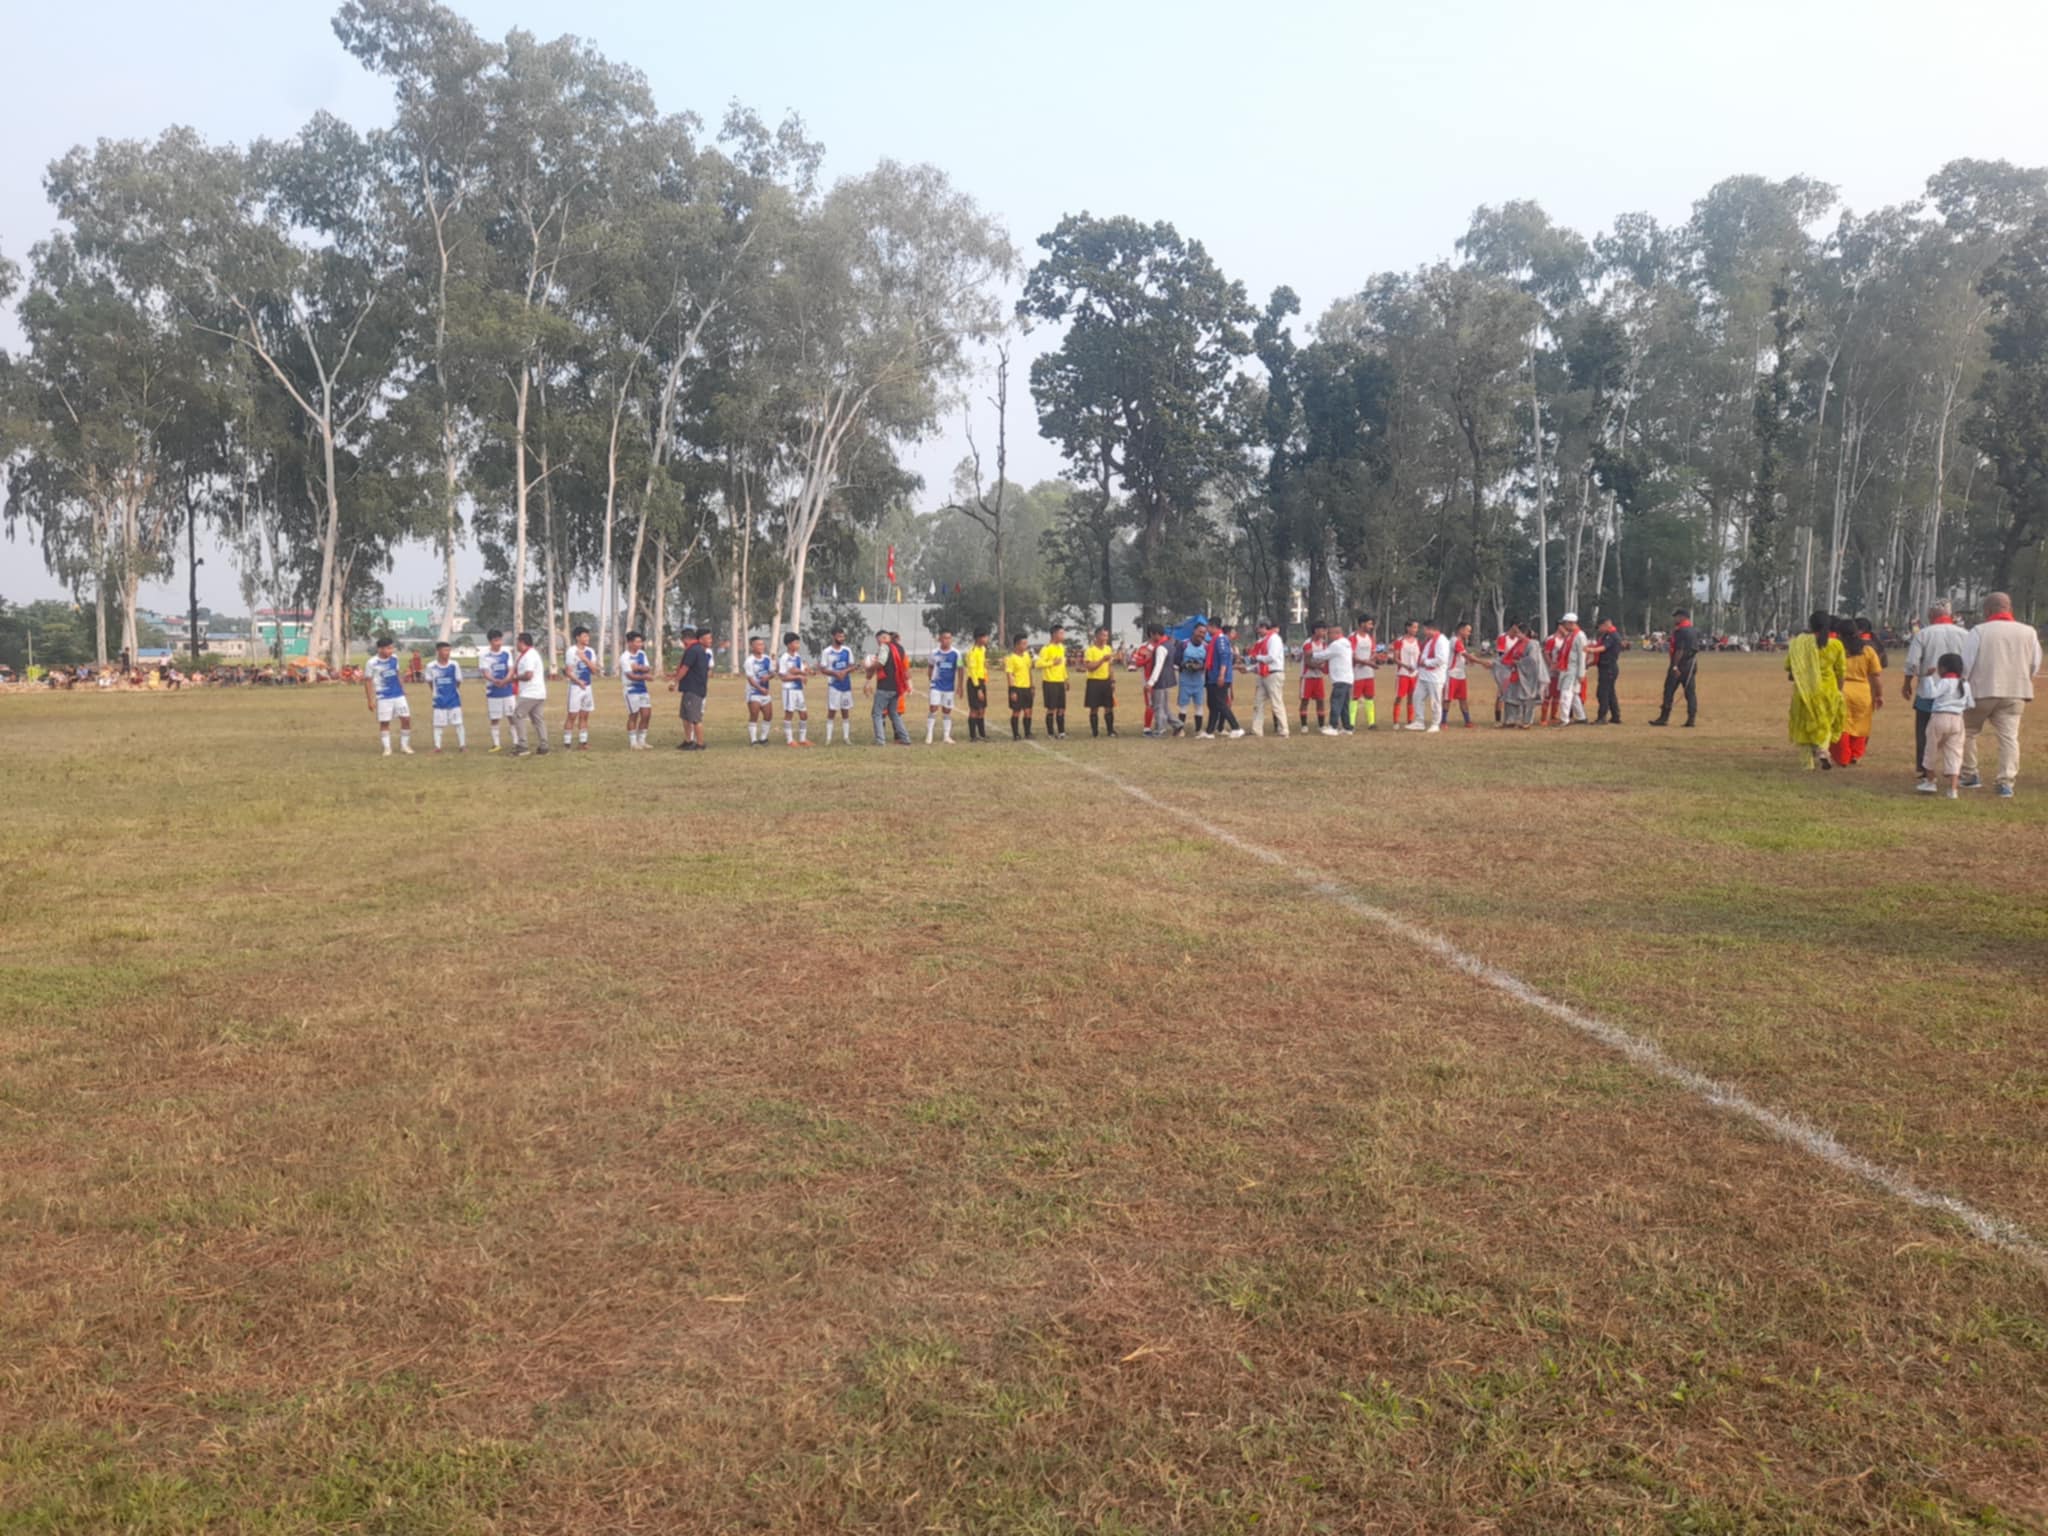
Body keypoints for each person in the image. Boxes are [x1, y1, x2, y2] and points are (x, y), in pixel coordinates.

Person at [1959, 591, 2043, 798]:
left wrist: (1963, 684)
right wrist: (2024, 678)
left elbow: (1966, 663)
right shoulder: (2029, 631)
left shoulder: (1979, 631)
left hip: (1981, 691)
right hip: (2015, 691)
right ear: (2009, 608)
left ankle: (1970, 774)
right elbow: (2035, 663)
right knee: (2009, 738)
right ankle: (2006, 782)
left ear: (1987, 610)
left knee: (1967, 731)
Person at [1900, 602, 1973, 788]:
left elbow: (1912, 662)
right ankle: (1954, 771)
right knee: (1955, 738)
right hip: (1956, 693)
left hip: (1929, 692)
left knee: (1925, 733)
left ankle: (1926, 771)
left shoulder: (1924, 634)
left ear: (1931, 616)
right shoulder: (1965, 634)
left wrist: (1907, 683)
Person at [1785, 611, 1846, 771]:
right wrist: (1839, 691)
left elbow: (1789, 666)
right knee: (1825, 724)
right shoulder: (1836, 645)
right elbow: (1841, 671)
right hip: (1828, 691)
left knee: (1804, 726)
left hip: (1804, 691)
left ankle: (1807, 764)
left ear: (1811, 625)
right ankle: (1823, 750)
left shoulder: (1798, 644)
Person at [1919, 653, 1975, 799]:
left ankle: (1930, 781)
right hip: (1957, 720)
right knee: (1955, 753)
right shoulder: (1965, 684)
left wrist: (1928, 677)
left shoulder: (1944, 682)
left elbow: (1931, 694)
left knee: (1931, 749)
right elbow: (1970, 704)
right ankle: (1953, 789)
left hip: (1939, 718)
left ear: (1943, 668)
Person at [1830, 624, 1882, 767]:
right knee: (1861, 724)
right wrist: (1879, 695)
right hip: (1862, 692)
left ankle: (1842, 757)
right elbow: (1876, 676)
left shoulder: (1837, 649)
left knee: (1842, 725)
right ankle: (1855, 754)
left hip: (1841, 689)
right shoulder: (1868, 651)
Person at [1649, 609, 1701, 726]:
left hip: (1680, 664)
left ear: (1682, 617)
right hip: (1691, 664)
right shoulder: (1694, 630)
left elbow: (1679, 650)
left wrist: (1675, 666)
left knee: (1669, 691)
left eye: (1677, 617)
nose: (1675, 619)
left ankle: (1664, 718)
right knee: (1690, 693)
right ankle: (1691, 719)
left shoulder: (1680, 631)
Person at [364, 635, 414, 755]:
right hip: (383, 696)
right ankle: (387, 748)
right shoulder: (372, 663)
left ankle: (404, 746)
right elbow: (368, 681)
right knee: (385, 722)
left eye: (392, 648)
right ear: (380, 649)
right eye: (388, 648)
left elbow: (397, 673)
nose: (391, 650)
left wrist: (402, 688)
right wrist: (370, 700)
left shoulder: (394, 658)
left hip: (398, 694)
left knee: (406, 719)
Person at [672, 627, 712, 751]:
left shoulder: (693, 650)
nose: (710, 640)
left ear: (686, 639)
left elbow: (685, 668)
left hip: (694, 689)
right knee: (685, 716)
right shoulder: (698, 650)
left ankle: (700, 743)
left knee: (695, 718)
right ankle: (688, 740)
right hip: (689, 688)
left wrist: (675, 681)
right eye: (708, 638)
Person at [510, 631, 548, 756]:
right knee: (538, 720)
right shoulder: (531, 654)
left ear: (521, 642)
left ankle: (523, 746)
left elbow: (528, 675)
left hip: (530, 692)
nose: (516, 645)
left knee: (517, 716)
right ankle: (544, 746)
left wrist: (515, 677)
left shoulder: (529, 656)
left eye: (517, 642)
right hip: (538, 692)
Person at [1247, 619, 1288, 737]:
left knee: (1276, 702)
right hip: (1263, 674)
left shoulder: (1274, 639)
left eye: (1259, 628)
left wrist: (1257, 657)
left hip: (1273, 673)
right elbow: (1261, 662)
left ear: (1265, 627)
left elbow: (1271, 657)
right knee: (1258, 702)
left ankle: (1283, 729)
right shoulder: (1263, 640)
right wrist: (1249, 669)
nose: (1258, 631)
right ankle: (1257, 730)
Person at [426, 640, 465, 753]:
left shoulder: (454, 665)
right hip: (439, 700)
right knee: (438, 724)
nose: (447, 653)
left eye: (449, 650)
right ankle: (437, 747)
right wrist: (436, 693)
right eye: (445, 650)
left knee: (458, 723)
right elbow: (430, 682)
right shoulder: (431, 666)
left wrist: (452, 691)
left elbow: (458, 680)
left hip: (453, 699)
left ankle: (462, 745)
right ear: (438, 651)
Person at [1205, 621, 1244, 737]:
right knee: (1213, 704)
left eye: (1208, 627)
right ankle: (1209, 731)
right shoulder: (1214, 639)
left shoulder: (1221, 639)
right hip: (1212, 676)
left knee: (1221, 703)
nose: (1207, 630)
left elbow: (1224, 657)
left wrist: (1221, 675)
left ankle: (1236, 728)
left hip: (1219, 676)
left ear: (1213, 626)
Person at [480, 629, 516, 752]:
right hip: (493, 691)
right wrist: (494, 680)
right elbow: (485, 672)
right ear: (490, 641)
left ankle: (516, 742)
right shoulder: (484, 655)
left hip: (507, 690)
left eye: (500, 640)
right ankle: (496, 744)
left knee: (512, 716)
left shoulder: (506, 653)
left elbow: (511, 669)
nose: (499, 643)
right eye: (496, 640)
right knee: (495, 718)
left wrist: (506, 680)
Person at [563, 625, 597, 750]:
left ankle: (583, 743)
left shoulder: (590, 651)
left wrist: (585, 659)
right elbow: (568, 671)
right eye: (584, 636)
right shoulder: (571, 651)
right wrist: (578, 682)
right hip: (575, 688)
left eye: (588, 636)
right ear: (578, 637)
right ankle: (567, 744)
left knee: (585, 715)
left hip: (587, 687)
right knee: (572, 715)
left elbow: (594, 670)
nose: (587, 638)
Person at [820, 627, 856, 745]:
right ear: (833, 637)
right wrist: (835, 674)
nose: (842, 638)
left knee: (845, 710)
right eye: (839, 636)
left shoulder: (847, 650)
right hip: (834, 685)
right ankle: (828, 738)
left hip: (846, 685)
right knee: (832, 710)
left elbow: (852, 666)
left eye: (843, 636)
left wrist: (845, 671)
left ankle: (846, 737)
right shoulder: (827, 651)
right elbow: (823, 669)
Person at [1177, 622, 1214, 736]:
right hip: (1185, 680)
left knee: (1199, 705)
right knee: (1183, 706)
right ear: (1194, 631)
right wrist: (1185, 665)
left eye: (1204, 633)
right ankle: (1180, 729)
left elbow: (1208, 663)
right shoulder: (1183, 644)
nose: (1201, 634)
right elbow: (1176, 660)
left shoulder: (1206, 646)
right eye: (1200, 632)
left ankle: (1198, 730)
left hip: (1199, 682)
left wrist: (1200, 666)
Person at [1411, 621, 1449, 732]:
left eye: (1425, 629)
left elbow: (1441, 659)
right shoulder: (1429, 640)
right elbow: (1422, 655)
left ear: (1431, 629)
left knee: (1435, 701)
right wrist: (1416, 666)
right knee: (1417, 697)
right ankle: (1419, 722)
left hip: (1435, 677)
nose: (1424, 632)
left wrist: (1426, 662)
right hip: (1424, 675)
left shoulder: (1442, 641)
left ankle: (1435, 724)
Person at [1082, 627, 1120, 738]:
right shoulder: (1090, 650)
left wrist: (1112, 680)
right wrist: (1102, 660)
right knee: (1094, 707)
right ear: (1097, 636)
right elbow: (1090, 667)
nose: (1105, 638)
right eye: (1103, 635)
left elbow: (1110, 666)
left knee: (1109, 706)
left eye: (1106, 636)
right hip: (1094, 681)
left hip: (1106, 681)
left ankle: (1110, 730)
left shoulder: (1108, 649)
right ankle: (1095, 732)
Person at [926, 630, 961, 744]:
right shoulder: (934, 652)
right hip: (936, 685)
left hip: (949, 687)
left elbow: (960, 669)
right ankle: (929, 734)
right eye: (945, 638)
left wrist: (960, 685)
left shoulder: (956, 653)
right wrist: (931, 679)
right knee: (933, 707)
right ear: (940, 639)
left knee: (947, 710)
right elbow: (930, 666)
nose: (947, 640)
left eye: (949, 638)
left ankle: (946, 736)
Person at [619, 630, 653, 749]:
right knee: (633, 715)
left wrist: (638, 667)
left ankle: (642, 741)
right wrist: (644, 675)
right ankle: (633, 743)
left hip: (642, 688)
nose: (640, 644)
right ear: (629, 643)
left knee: (646, 714)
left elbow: (647, 668)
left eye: (641, 642)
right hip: (631, 689)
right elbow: (630, 675)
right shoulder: (625, 657)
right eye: (637, 642)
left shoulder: (642, 654)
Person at [1145, 624, 1180, 736]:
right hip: (1167, 679)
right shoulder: (1170, 645)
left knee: (1158, 706)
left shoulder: (1161, 647)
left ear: (1155, 634)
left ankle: (1160, 729)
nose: (1151, 638)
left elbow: (1158, 666)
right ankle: (1177, 724)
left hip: (1160, 680)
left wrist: (1151, 682)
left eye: (1151, 635)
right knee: (1164, 706)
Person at [777, 632, 811, 747]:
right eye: (795, 643)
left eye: (798, 643)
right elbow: (782, 677)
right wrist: (798, 677)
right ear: (789, 644)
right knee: (789, 714)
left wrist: (805, 672)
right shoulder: (784, 658)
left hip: (798, 689)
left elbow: (800, 671)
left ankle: (802, 739)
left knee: (804, 714)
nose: (798, 645)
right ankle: (790, 740)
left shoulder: (797, 656)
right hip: (789, 690)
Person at [1554, 614, 1588, 724]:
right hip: (1566, 668)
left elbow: (1582, 656)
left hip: (1573, 670)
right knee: (1573, 695)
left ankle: (1564, 719)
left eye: (1564, 623)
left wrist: (1581, 673)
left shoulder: (1580, 636)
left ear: (1570, 623)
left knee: (1566, 694)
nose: (1563, 626)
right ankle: (1582, 717)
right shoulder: (1570, 635)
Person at [1589, 620, 1623, 724]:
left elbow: (1603, 648)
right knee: (1610, 693)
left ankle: (1602, 717)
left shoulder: (1611, 636)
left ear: (1605, 625)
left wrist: (1590, 650)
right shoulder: (1607, 635)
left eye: (1599, 627)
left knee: (1602, 693)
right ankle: (1615, 716)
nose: (1599, 630)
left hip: (1608, 667)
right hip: (1606, 667)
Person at [743, 636, 775, 745]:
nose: (761, 646)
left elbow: (772, 673)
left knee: (768, 715)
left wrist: (768, 677)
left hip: (765, 692)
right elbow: (750, 679)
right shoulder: (749, 661)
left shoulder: (767, 659)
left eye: (762, 644)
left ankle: (763, 738)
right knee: (754, 714)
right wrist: (760, 688)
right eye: (758, 644)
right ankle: (753, 740)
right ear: (752, 647)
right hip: (754, 692)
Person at [1003, 633, 1035, 740]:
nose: (1026, 645)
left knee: (1028, 711)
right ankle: (1016, 734)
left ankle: (1028, 732)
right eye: (1023, 643)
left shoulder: (1026, 656)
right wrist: (1012, 691)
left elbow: (1029, 671)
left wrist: (1032, 686)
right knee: (1016, 711)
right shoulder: (1011, 658)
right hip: (1017, 688)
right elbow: (1010, 675)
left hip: (1027, 687)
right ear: (1017, 645)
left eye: (1026, 643)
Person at [1297, 623, 1328, 733]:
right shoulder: (1308, 643)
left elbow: (1325, 658)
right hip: (1307, 677)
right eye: (1322, 630)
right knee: (1305, 701)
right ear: (1316, 630)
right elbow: (1307, 662)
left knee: (1320, 701)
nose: (1324, 633)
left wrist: (1324, 665)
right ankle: (1304, 725)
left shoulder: (1324, 644)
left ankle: (1321, 725)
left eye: (1325, 630)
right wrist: (1320, 667)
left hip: (1318, 677)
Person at [1350, 618, 1378, 729]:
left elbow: (1374, 653)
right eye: (1369, 624)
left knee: (1369, 697)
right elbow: (1352, 655)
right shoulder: (1353, 637)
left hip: (1368, 673)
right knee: (1354, 697)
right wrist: (1366, 662)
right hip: (1356, 673)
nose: (1371, 626)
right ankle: (1351, 723)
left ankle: (1371, 723)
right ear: (1362, 624)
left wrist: (1370, 660)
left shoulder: (1370, 638)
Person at [1392, 621, 1421, 727]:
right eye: (1414, 627)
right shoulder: (1400, 641)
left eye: (1417, 627)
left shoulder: (1417, 642)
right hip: (1403, 673)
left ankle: (1410, 720)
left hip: (1414, 674)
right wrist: (1405, 666)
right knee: (1399, 697)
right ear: (1407, 628)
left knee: (1411, 697)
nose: (1416, 630)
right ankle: (1396, 721)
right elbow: (1395, 658)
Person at [964, 628, 991, 742]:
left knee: (982, 708)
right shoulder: (972, 652)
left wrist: (985, 677)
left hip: (981, 681)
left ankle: (982, 734)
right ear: (978, 638)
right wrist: (978, 688)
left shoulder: (983, 649)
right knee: (974, 709)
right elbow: (973, 671)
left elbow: (982, 666)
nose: (986, 639)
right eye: (985, 637)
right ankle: (973, 736)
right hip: (974, 682)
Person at [1446, 622, 1473, 727]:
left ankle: (1468, 722)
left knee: (1463, 698)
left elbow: (1462, 657)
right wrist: (1483, 662)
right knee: (1447, 699)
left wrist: (1467, 662)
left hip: (1461, 675)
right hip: (1452, 674)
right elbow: (1466, 655)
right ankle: (1443, 721)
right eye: (1468, 631)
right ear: (1461, 630)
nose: (1469, 633)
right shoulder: (1455, 641)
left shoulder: (1461, 642)